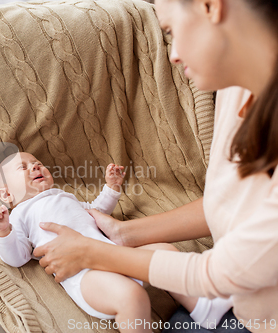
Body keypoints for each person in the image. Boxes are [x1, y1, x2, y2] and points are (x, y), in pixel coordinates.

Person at [31, 0, 278, 332]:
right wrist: (124, 233)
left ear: (210, 7)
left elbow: (217, 273)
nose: (173, 54)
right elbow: (237, 203)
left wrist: (92, 254)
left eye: (171, 30)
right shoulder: (238, 82)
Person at [0, 152, 233, 332]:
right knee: (131, 296)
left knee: (166, 252)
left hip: (114, 255)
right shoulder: (19, 214)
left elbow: (97, 214)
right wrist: (3, 231)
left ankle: (204, 307)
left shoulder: (64, 196)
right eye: (23, 168)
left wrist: (111, 189)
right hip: (86, 276)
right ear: (7, 194)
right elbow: (17, 257)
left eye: (37, 163)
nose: (34, 167)